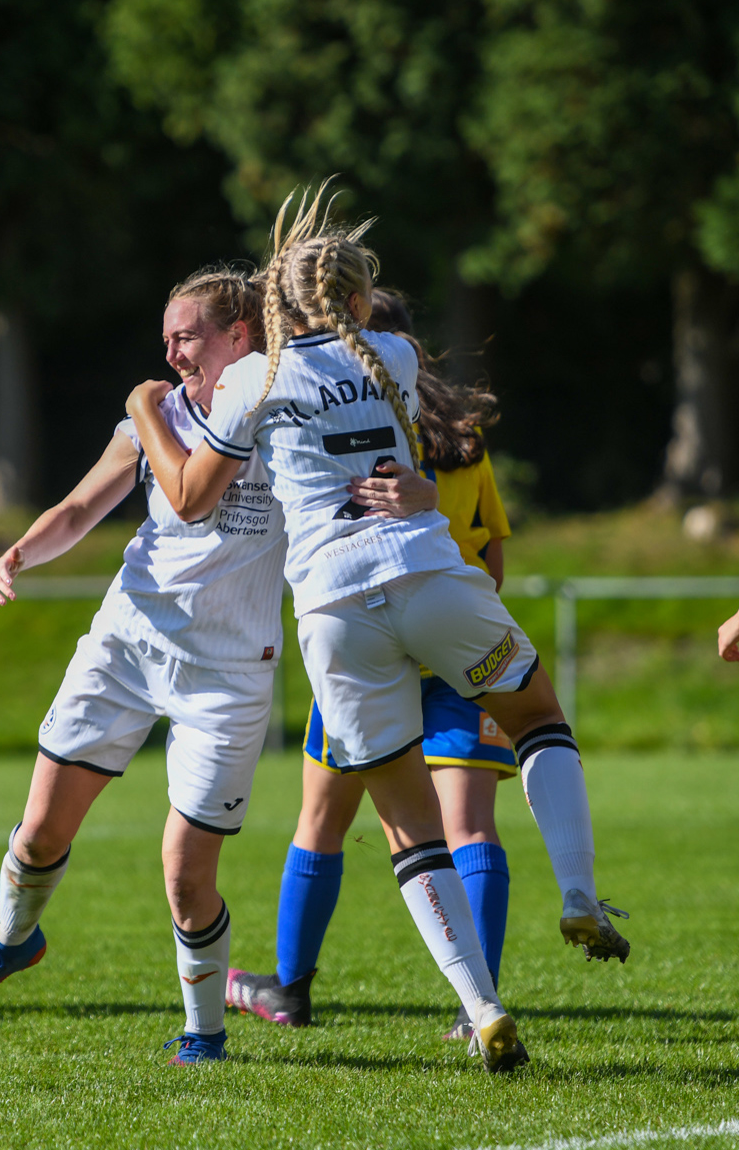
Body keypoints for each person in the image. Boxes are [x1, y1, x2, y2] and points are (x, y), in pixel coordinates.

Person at [129, 184, 620, 1073]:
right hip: (432, 578)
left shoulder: (250, 378)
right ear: (359, 302)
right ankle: (582, 891)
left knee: (408, 827)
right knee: (540, 719)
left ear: (270, 309)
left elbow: (192, 501)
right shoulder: (393, 350)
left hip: (332, 615)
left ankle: (484, 1008)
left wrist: (141, 412)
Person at [0, 268, 432, 1064]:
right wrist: (21, 552)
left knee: (185, 874)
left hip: (228, 676)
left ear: (241, 336)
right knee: (36, 835)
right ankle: (11, 941)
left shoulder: (285, 408)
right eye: (166, 337)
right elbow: (80, 507)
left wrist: (420, 492)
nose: (169, 352)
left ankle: (204, 1033)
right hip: (127, 644)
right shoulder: (160, 411)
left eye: (186, 335)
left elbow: (371, 466)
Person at [227, 288, 534, 1043]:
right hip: (456, 647)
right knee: (472, 828)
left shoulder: (314, 407)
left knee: (323, 821)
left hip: (356, 633)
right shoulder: (462, 438)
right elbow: (492, 552)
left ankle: (291, 988)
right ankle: (476, 1004)